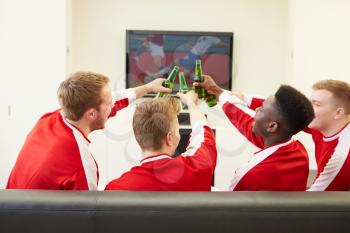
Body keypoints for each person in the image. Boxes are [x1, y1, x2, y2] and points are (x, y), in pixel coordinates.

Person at [6, 71, 171, 190]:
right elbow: (88, 216)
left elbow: (116, 99)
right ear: (91, 114)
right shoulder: (80, 164)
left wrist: (148, 88)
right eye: (109, 103)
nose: (113, 105)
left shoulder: (49, 119)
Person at [194, 75, 315, 191]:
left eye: (261, 109)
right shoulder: (298, 152)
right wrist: (217, 91)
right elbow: (245, 118)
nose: (255, 110)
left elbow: (230, 206)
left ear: (272, 126)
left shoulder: (251, 174)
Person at [105, 92, 217, 191]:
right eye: (177, 130)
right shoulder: (199, 168)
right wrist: (191, 103)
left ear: (138, 137)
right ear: (169, 138)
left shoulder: (114, 189)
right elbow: (202, 132)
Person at [305, 80, 350, 191]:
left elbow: (313, 200)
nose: (307, 108)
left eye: (316, 104)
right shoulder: (322, 124)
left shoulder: (342, 156)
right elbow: (281, 109)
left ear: (338, 113)